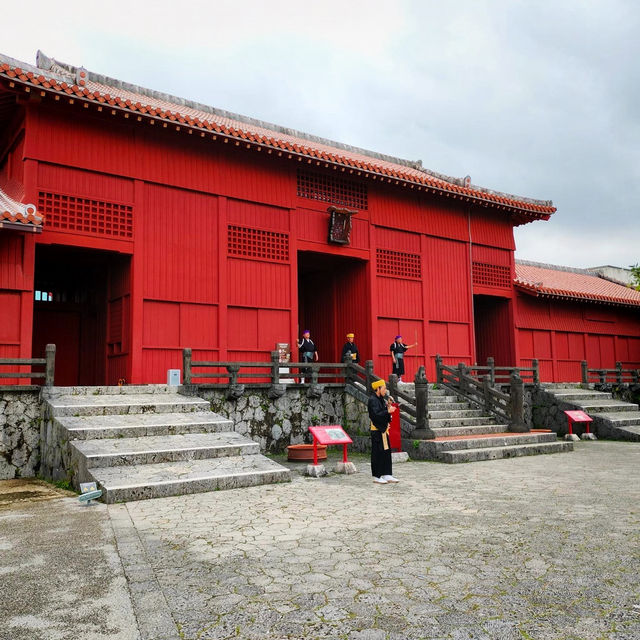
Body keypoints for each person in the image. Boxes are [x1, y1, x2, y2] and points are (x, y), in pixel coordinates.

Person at [367, 379, 399, 484]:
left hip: (384, 430)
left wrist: (388, 406)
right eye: (384, 388)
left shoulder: (381, 399)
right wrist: (388, 411)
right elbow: (375, 415)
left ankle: (387, 474)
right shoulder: (372, 400)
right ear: (378, 389)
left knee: (386, 452)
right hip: (377, 430)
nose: (385, 391)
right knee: (377, 453)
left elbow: (383, 412)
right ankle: (377, 476)